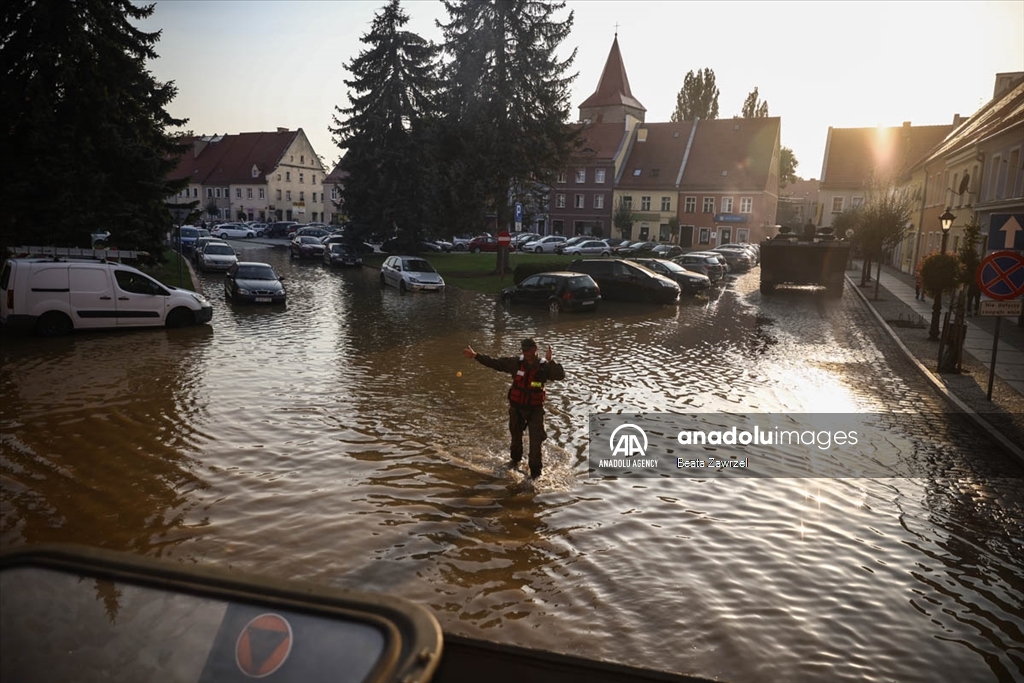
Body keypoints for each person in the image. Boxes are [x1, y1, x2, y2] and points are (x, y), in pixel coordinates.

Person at [462, 338, 565, 479]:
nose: (525, 352)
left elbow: (560, 375)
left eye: (527, 350)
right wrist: (476, 356)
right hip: (517, 409)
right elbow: (495, 363)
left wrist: (550, 361)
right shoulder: (515, 363)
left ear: (535, 349)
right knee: (516, 440)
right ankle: (514, 463)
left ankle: (535, 476)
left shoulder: (544, 366)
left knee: (536, 443)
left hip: (535, 410)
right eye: (523, 350)